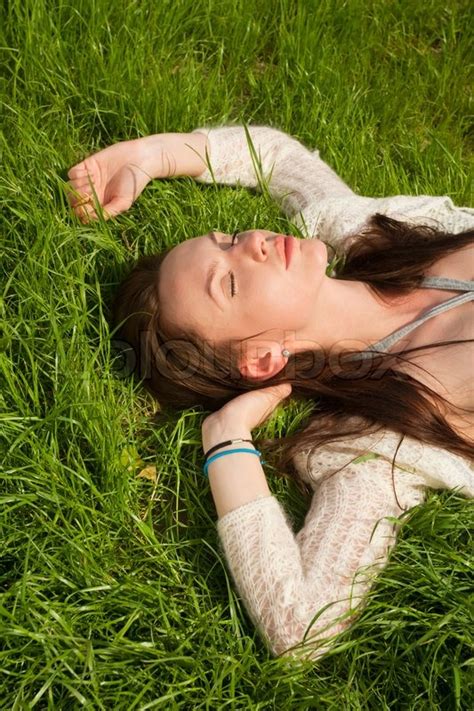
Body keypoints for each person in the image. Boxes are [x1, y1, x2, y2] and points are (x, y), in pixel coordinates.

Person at [67, 124, 474, 661]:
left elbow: (277, 156)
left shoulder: (361, 233)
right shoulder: (380, 441)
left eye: (230, 239)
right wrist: (227, 440)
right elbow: (302, 629)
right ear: (263, 359)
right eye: (230, 282)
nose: (253, 245)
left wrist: (152, 154)